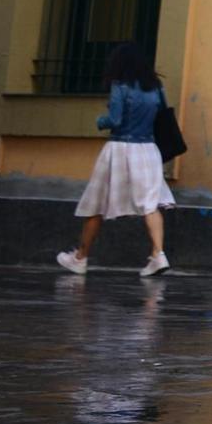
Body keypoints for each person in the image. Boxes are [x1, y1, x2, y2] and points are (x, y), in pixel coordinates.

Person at [56, 42, 174, 277]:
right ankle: (158, 255)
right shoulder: (156, 86)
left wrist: (101, 121)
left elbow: (115, 119)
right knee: (150, 204)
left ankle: (80, 258)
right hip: (149, 149)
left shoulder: (119, 86)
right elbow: (162, 113)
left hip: (120, 149)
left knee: (97, 203)